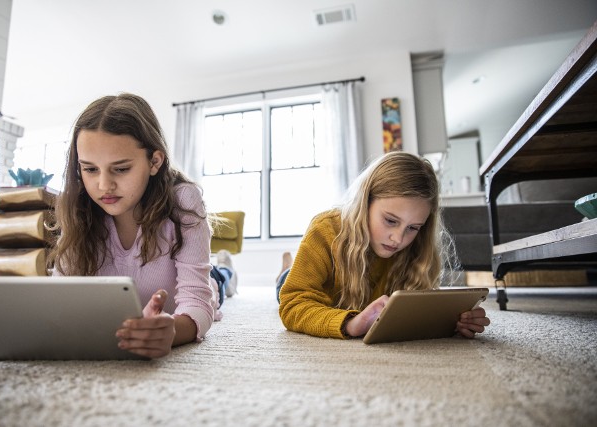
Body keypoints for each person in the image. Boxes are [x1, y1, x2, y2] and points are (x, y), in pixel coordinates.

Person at [49, 93, 230, 359]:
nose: (103, 185)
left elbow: (196, 302)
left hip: (202, 286)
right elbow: (60, 298)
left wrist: (173, 332)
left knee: (219, 282)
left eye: (120, 169)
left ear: (154, 162)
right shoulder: (79, 207)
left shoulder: (184, 200)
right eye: (90, 169)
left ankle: (225, 269)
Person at [277, 151, 490, 339]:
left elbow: (412, 313)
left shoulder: (415, 249)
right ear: (365, 202)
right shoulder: (325, 229)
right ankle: (287, 269)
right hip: (315, 284)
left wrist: (455, 321)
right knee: (285, 284)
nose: (398, 239)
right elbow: (293, 303)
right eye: (390, 221)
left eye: (413, 228)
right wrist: (350, 324)